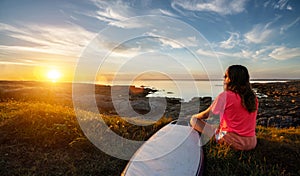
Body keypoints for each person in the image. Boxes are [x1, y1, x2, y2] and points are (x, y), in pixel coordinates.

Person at [190, 65, 258, 150]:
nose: (224, 79)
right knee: (217, 127)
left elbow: (206, 115)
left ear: (230, 79)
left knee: (193, 120)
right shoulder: (253, 98)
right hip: (251, 143)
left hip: (232, 141)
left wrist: (195, 116)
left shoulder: (225, 96)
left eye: (226, 76)